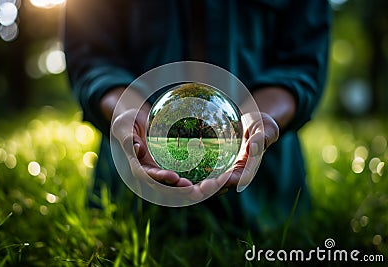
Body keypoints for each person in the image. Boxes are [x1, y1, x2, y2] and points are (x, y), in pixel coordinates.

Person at [64, 0, 330, 234]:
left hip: (266, 207)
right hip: (130, 204)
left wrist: (260, 118)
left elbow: (303, 60)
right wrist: (127, 110)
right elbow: (90, 54)